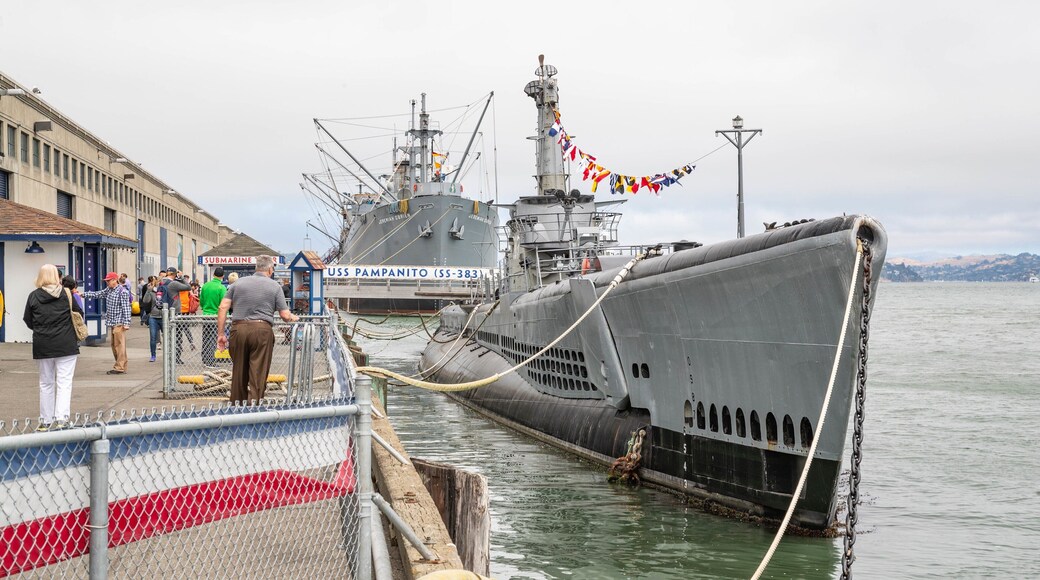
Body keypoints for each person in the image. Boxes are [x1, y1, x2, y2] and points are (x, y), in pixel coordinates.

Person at [216, 256, 298, 403]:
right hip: (262, 330)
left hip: (238, 329)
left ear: (256, 268)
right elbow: (285, 315)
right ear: (270, 269)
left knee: (238, 371)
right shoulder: (275, 286)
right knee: (258, 372)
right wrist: (295, 318)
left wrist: (221, 334)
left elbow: (223, 307)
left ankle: (237, 406)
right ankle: (254, 407)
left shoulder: (237, 284)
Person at [23, 264, 83, 430]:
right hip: (66, 344)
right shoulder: (67, 294)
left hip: (43, 344)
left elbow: (28, 320)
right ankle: (62, 418)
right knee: (64, 382)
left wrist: (42, 329)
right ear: (57, 277)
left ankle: (45, 420)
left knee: (45, 383)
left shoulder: (33, 296)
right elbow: (79, 314)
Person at [81, 271, 133, 374]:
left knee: (119, 345)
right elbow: (98, 294)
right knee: (115, 345)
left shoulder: (122, 292)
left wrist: (126, 323)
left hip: (119, 322)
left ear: (115, 280)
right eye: (107, 281)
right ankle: (121, 366)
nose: (107, 283)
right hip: (113, 322)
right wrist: (84, 294)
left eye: (108, 281)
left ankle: (119, 367)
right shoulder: (109, 290)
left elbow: (126, 308)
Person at [152, 267, 191, 364]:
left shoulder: (160, 283)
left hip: (164, 313)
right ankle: (176, 358)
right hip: (175, 313)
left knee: (168, 336)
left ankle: (168, 357)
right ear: (174, 274)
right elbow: (188, 287)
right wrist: (181, 277)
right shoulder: (173, 283)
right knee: (177, 337)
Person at [199, 266, 227, 366]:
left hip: (206, 314)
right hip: (216, 316)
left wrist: (205, 308)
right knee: (213, 338)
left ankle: (205, 358)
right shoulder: (222, 288)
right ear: (223, 276)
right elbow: (223, 304)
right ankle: (210, 361)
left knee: (205, 337)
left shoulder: (206, 286)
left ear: (214, 274)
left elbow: (201, 301)